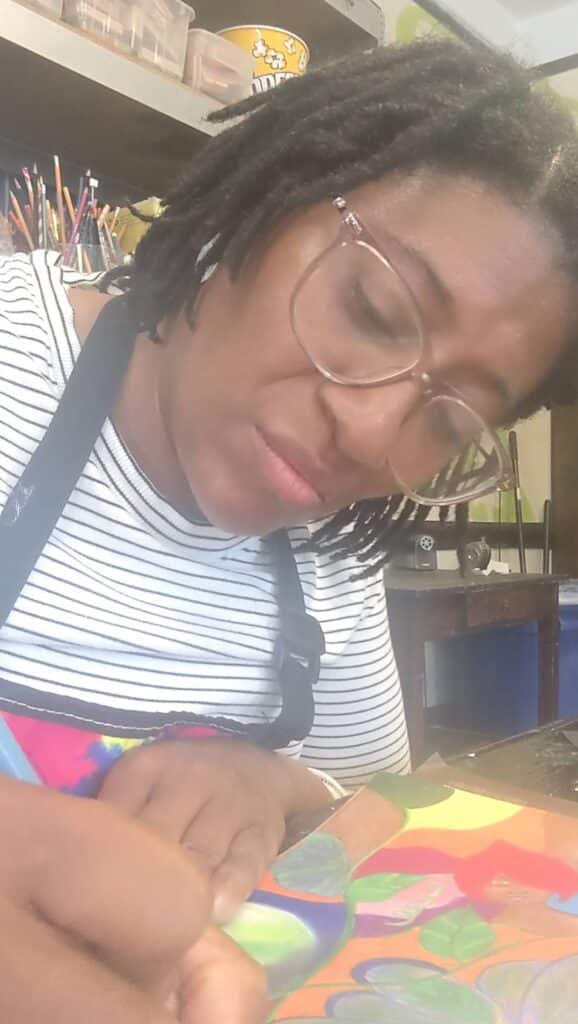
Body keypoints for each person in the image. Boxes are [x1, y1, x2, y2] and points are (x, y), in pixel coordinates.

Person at [1, 35, 578, 1022]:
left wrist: (272, 779)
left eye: (446, 423)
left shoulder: (327, 565)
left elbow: (372, 802)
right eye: (371, 308)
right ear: (263, 205)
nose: (371, 432)